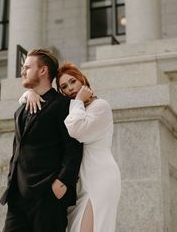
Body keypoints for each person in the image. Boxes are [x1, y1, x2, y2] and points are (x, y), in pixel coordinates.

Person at [22, 62, 121, 232]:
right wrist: (29, 93)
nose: (70, 88)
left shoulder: (100, 106)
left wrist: (78, 101)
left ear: (82, 80)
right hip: (81, 183)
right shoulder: (77, 109)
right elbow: (31, 100)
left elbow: (76, 131)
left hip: (100, 177)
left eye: (73, 82)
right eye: (64, 87)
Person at [0, 49, 83, 232]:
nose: (23, 71)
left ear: (43, 70)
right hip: (17, 197)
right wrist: (10, 181)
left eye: (28, 67)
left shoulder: (63, 105)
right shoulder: (20, 110)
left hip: (48, 196)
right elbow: (17, 149)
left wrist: (62, 181)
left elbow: (74, 147)